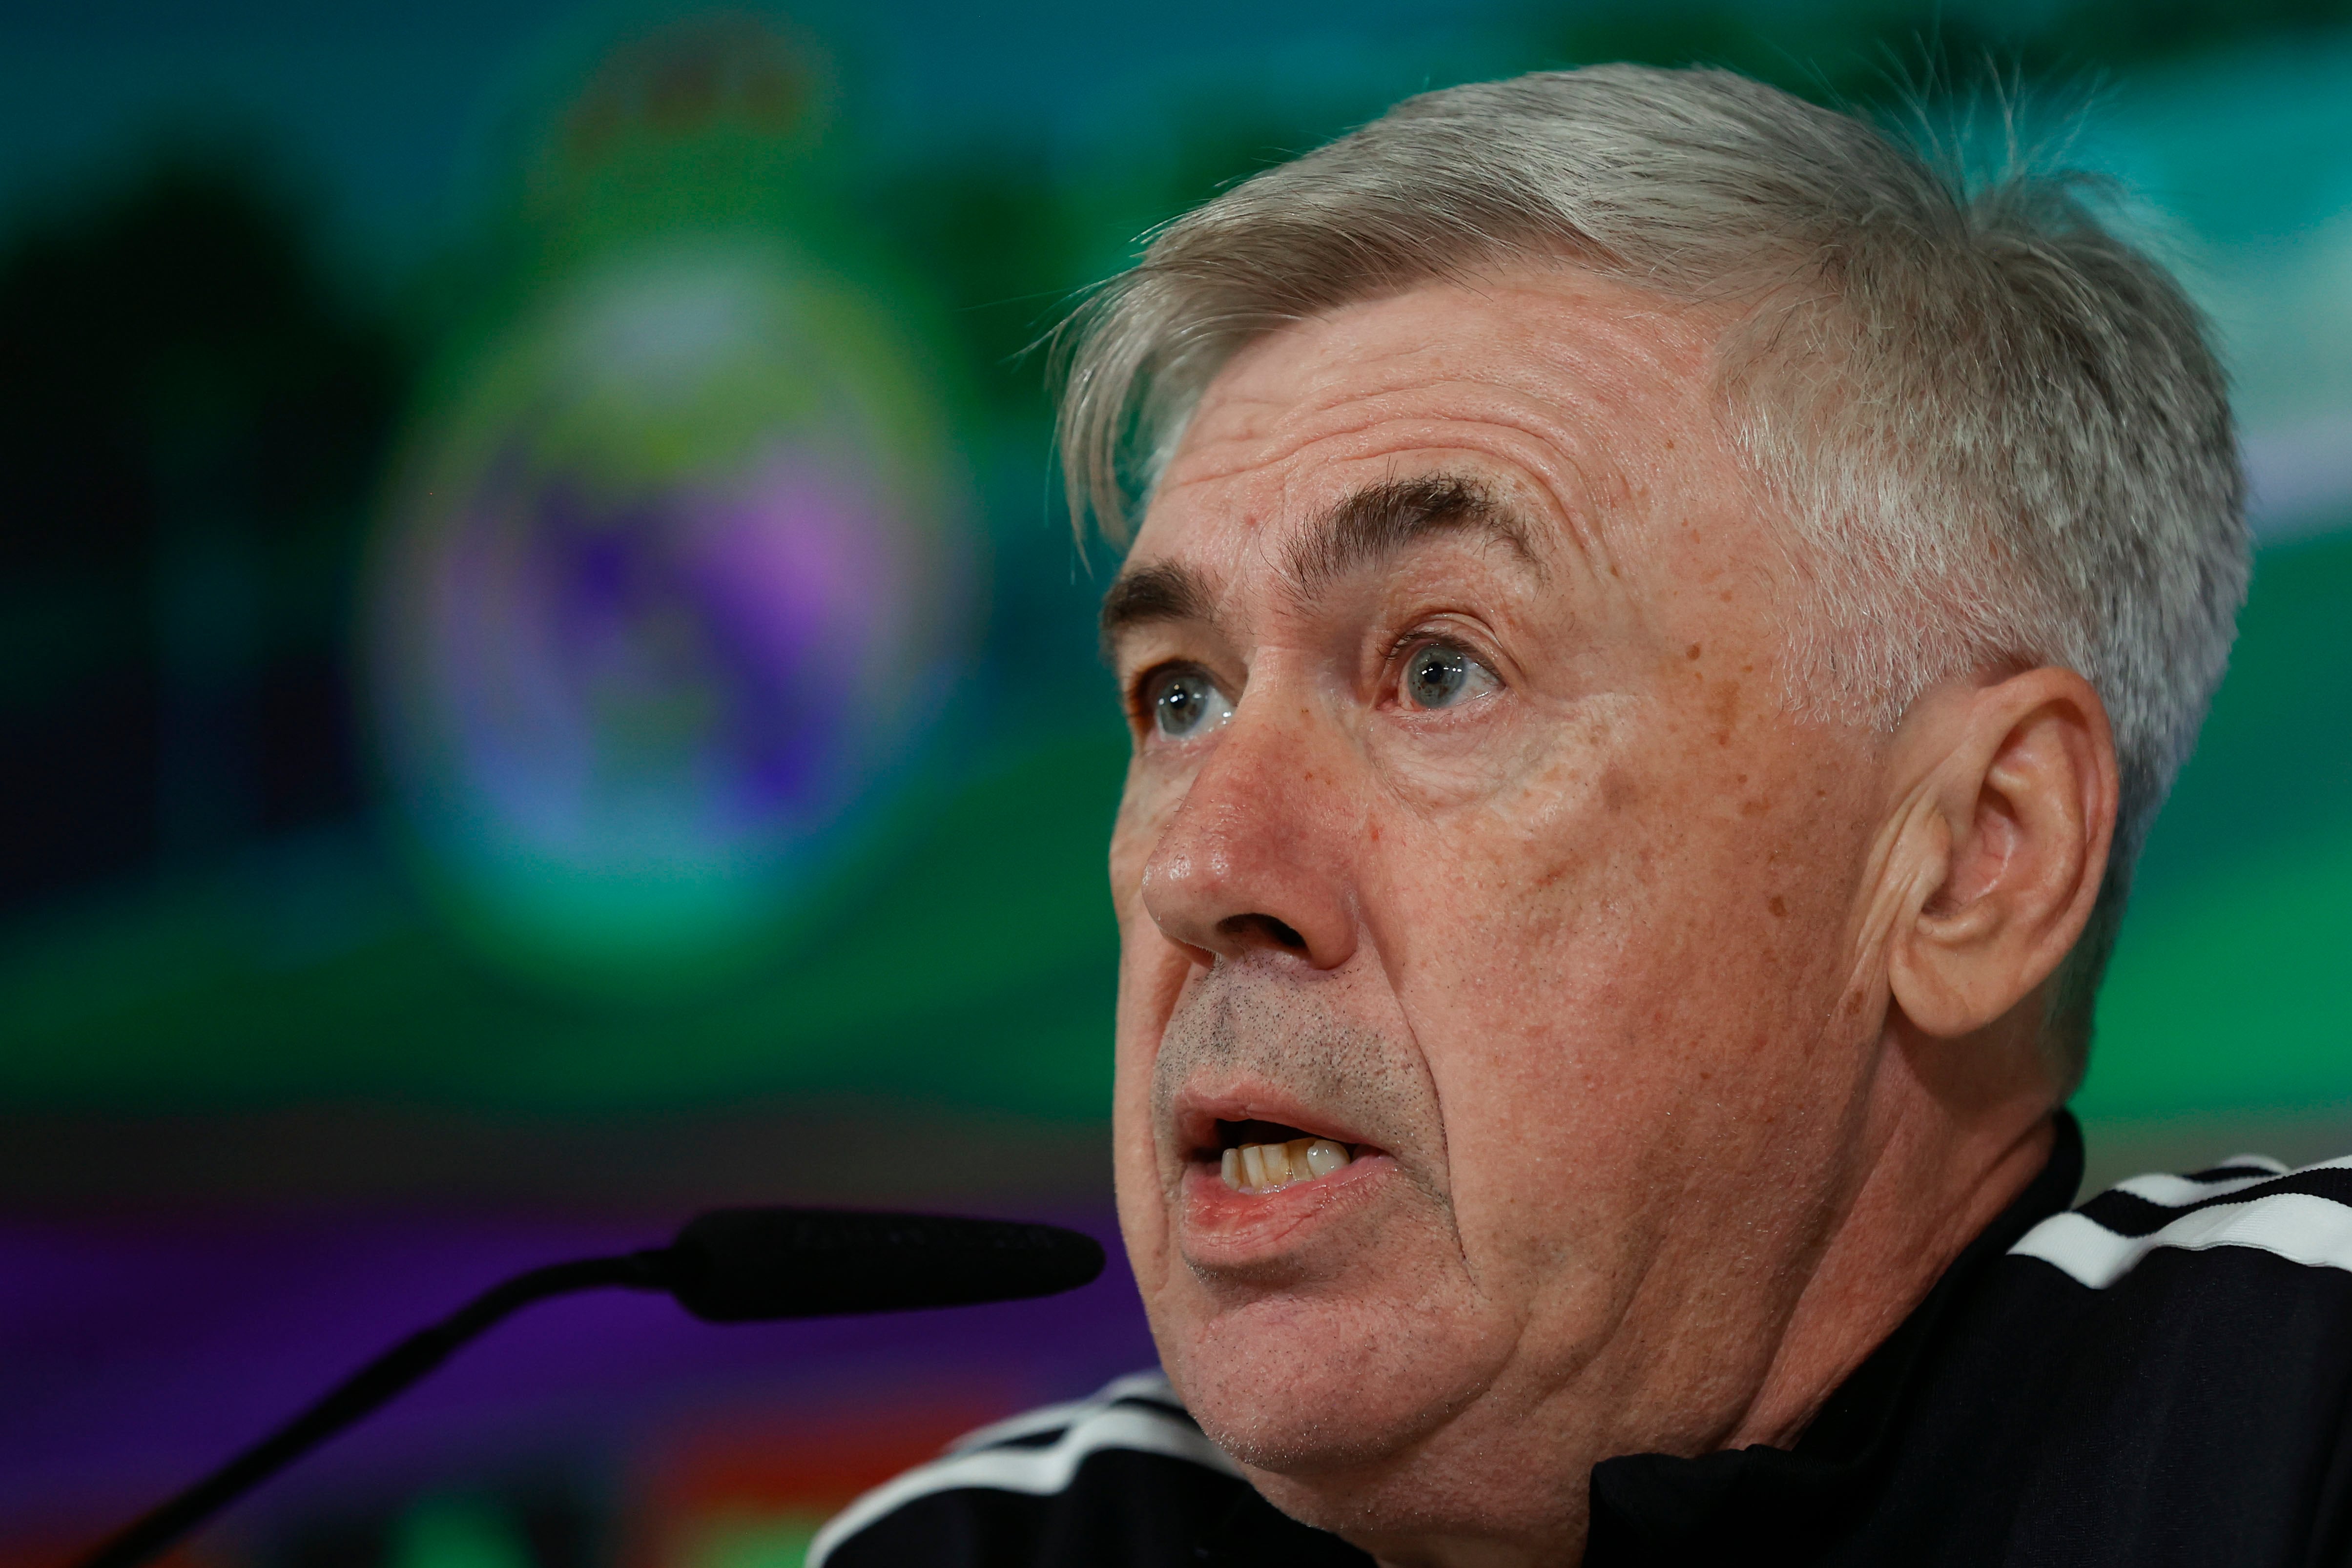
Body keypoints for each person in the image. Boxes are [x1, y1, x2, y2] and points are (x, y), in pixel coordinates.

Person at [811, 65, 2350, 1568]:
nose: (1203, 868)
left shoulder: (2293, 1419)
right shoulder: (999, 1541)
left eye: (1438, 667)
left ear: (1969, 858)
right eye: (1180, 696)